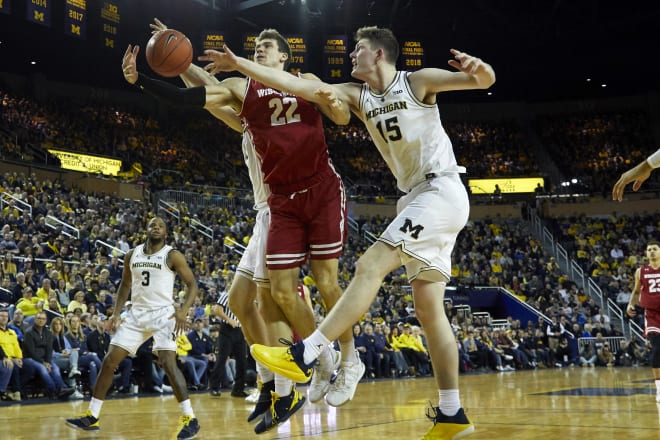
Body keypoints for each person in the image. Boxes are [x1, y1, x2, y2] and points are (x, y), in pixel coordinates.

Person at [206, 25, 495, 439]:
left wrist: (479, 68)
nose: (351, 55)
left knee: (369, 265)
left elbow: (483, 81)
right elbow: (289, 83)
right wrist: (240, 66)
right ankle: (452, 414)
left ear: (379, 54)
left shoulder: (417, 81)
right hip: (412, 198)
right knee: (430, 313)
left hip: (440, 189)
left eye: (358, 49)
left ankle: (309, 351)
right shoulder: (358, 95)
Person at [122, 23, 358, 431]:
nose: (260, 52)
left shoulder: (293, 90)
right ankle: (270, 383)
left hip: (286, 205)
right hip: (266, 210)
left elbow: (336, 111)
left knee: (272, 300)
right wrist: (164, 69)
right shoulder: (246, 104)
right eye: (257, 48)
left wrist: (172, 71)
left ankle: (301, 375)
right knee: (240, 299)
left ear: (284, 57)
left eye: (266, 48)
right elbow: (204, 90)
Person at [66, 217, 202, 440]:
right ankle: (92, 416)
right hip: (136, 315)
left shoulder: (172, 255)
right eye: (152, 225)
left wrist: (183, 310)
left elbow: (192, 284)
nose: (156, 227)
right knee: (110, 361)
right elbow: (125, 285)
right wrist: (116, 313)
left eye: (161, 225)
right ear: (146, 230)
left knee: (167, 362)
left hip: (163, 315)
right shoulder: (132, 254)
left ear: (165, 233)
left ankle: (190, 419)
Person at [626, 240, 660, 402]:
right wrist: (630, 304)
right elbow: (636, 290)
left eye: (654, 249)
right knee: (656, 349)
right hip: (652, 315)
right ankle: (659, 388)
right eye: (649, 250)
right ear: (646, 254)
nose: (652, 252)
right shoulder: (641, 271)